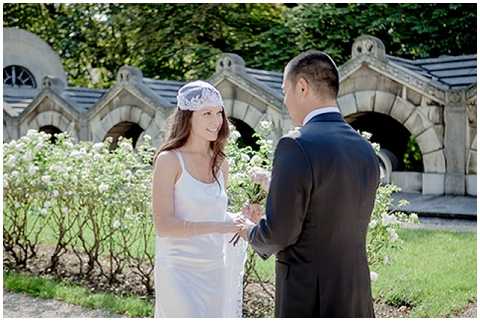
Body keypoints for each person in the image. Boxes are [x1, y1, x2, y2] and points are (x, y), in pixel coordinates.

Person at [238, 50, 380, 317]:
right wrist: (275, 185)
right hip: (356, 292)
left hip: (309, 296)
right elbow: (332, 202)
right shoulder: (364, 149)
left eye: (285, 90)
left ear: (301, 87)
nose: (285, 100)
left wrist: (249, 230)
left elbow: (280, 232)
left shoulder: (296, 144)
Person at [151, 80, 248, 317]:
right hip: (178, 270)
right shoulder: (169, 160)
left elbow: (214, 215)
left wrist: (240, 219)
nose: (216, 121)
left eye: (218, 113)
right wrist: (222, 226)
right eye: (206, 113)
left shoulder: (221, 162)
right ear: (187, 117)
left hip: (214, 268)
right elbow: (164, 225)